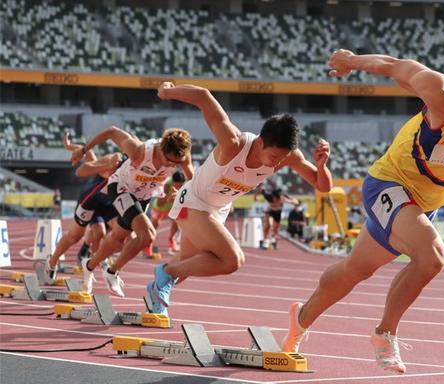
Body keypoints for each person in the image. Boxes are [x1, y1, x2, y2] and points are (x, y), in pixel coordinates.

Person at [280, 45, 444, 373]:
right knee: (433, 257)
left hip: (426, 203)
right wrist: (351, 62)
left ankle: (298, 323)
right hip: (390, 183)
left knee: (355, 270)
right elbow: (393, 65)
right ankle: (384, 334)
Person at [145, 82, 332, 317]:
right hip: (192, 201)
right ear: (261, 142)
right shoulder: (233, 144)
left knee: (184, 270)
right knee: (232, 260)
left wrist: (322, 166)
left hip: (217, 209)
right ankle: (164, 273)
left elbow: (322, 186)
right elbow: (204, 95)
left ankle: (157, 291)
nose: (276, 164)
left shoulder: (287, 157)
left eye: (281, 159)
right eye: (273, 157)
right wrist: (166, 92)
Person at [70, 126, 193, 295]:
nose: (172, 165)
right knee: (147, 235)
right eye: (168, 160)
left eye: (176, 163)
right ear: (161, 149)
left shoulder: (182, 157)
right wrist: (83, 150)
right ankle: (112, 272)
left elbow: (192, 179)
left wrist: (184, 191)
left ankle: (89, 265)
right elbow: (112, 131)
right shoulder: (140, 150)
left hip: (144, 195)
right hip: (121, 188)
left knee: (118, 239)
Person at [45, 133, 124, 284]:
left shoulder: (135, 170)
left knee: (121, 234)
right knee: (75, 236)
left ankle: (96, 264)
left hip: (107, 204)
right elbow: (88, 154)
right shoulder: (110, 161)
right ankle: (52, 261)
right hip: (90, 201)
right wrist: (69, 147)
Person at [145, 171, 187, 255]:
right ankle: (148, 244)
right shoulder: (167, 184)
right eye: (177, 185)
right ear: (173, 182)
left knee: (176, 222)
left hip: (171, 207)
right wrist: (169, 198)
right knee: (154, 226)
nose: (179, 187)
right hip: (160, 207)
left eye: (180, 185)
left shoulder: (184, 185)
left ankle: (172, 239)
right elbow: (160, 202)